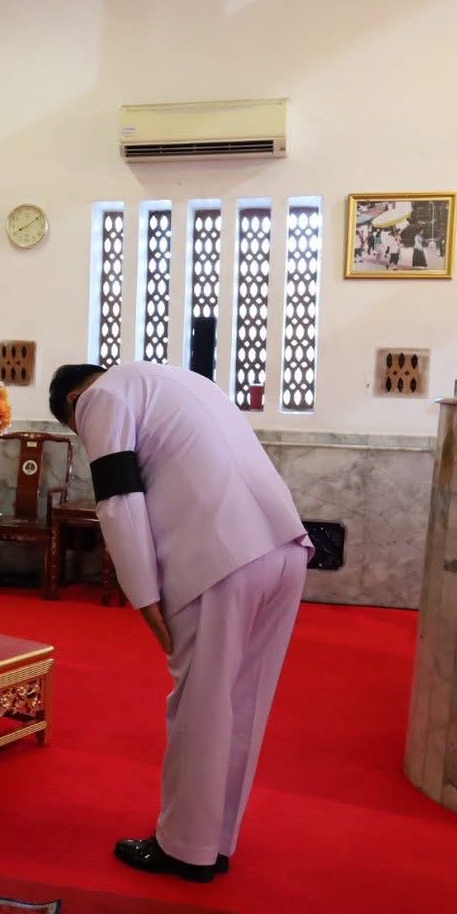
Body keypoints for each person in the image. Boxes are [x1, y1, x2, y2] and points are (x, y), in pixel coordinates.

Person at [49, 361, 312, 882]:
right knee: (244, 703)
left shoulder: (100, 397)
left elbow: (119, 500)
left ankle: (186, 848)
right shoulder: (183, 381)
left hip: (221, 557)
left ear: (73, 402)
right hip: (284, 545)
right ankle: (216, 840)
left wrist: (143, 595)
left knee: (201, 705)